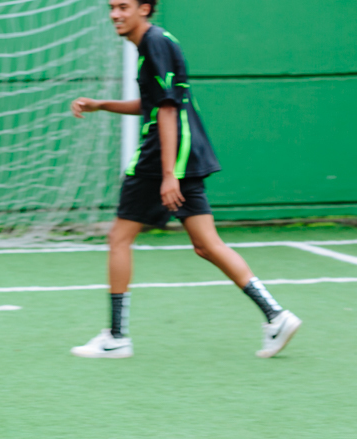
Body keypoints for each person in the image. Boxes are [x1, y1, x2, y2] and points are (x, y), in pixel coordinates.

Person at [69, 0, 301, 359]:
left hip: (161, 159)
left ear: (145, 8)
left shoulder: (154, 43)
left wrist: (167, 175)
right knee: (207, 244)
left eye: (123, 6)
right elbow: (153, 102)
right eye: (112, 7)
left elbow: (166, 109)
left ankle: (116, 337)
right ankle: (276, 316)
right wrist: (103, 104)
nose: (115, 14)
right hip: (182, 155)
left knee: (119, 238)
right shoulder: (155, 43)